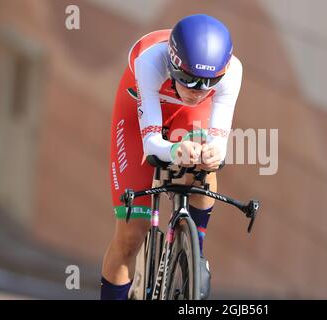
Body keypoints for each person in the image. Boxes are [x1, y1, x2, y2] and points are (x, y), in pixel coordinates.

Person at [101, 14, 243, 300]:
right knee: (131, 235)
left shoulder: (232, 72)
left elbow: (219, 138)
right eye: (189, 80)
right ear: (173, 63)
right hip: (137, 114)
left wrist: (212, 151)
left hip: (188, 118)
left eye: (209, 82)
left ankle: (194, 247)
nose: (197, 90)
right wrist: (175, 150)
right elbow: (152, 143)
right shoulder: (150, 60)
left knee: (205, 160)